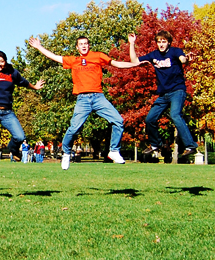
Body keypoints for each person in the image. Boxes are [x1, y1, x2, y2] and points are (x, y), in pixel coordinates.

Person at [27, 36, 136, 169]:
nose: (84, 46)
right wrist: (39, 47)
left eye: (86, 43)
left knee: (118, 121)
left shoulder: (98, 56)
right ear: (77, 47)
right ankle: (66, 153)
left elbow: (117, 64)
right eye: (81, 44)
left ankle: (114, 150)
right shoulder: (73, 60)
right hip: (82, 99)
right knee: (74, 128)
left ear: (89, 45)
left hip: (98, 97)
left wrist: (134, 64)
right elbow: (54, 56)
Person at [122, 32, 200, 159]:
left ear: (168, 42)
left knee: (175, 115)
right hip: (163, 95)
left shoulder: (175, 51)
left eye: (164, 42)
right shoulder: (154, 55)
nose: (161, 44)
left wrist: (187, 58)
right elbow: (135, 61)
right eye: (159, 42)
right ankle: (155, 144)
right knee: (150, 119)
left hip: (177, 91)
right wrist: (132, 44)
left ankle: (190, 145)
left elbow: (183, 59)